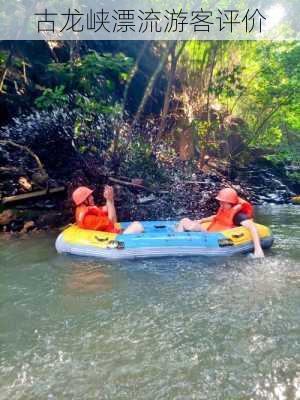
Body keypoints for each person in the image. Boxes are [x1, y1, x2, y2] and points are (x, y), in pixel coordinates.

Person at [176, 187, 265, 258]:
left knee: (185, 222)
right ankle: (178, 239)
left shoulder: (239, 216)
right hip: (211, 234)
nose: (221, 204)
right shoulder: (224, 209)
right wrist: (202, 220)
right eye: (220, 202)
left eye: (223, 202)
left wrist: (258, 249)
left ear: (231, 203)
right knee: (184, 220)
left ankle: (179, 242)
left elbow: (252, 227)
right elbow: (216, 217)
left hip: (218, 239)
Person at [72, 185, 144, 234]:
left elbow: (107, 209)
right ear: (84, 200)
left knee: (136, 224)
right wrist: (109, 200)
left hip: (112, 233)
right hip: (112, 238)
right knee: (137, 227)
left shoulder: (86, 210)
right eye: (90, 196)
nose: (92, 197)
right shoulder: (88, 219)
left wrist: (109, 198)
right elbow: (113, 222)